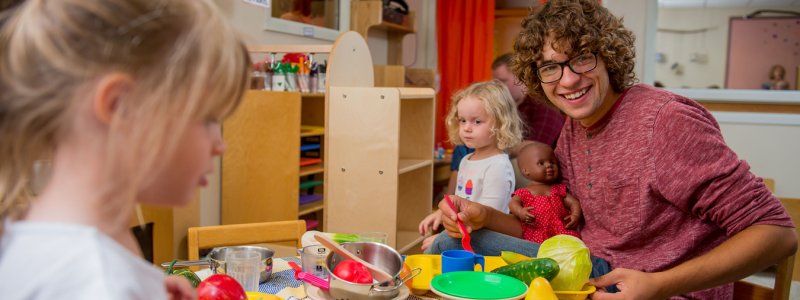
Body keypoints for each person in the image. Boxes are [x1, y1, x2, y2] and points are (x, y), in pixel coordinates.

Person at [433, 0, 797, 299]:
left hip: (660, 290)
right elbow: (551, 225)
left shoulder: (666, 120)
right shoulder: (573, 128)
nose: (569, 79)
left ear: (609, 56)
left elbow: (777, 233)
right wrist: (484, 216)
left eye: (583, 58)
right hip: (593, 273)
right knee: (450, 241)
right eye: (550, 67)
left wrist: (657, 285)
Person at [0, 0, 250, 299]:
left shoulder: (37, 234)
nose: (220, 145)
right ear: (121, 107)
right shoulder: (96, 282)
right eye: (208, 119)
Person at [418, 80, 523, 251]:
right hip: (466, 233)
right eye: (462, 120)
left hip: (484, 239)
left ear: (501, 123)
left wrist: (442, 238)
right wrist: (441, 213)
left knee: (434, 250)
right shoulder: (467, 160)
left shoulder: (498, 166)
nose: (467, 128)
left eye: (477, 122)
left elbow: (487, 219)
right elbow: (462, 200)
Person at [444, 54, 566, 195]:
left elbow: (535, 151)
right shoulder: (511, 107)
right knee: (465, 144)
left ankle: (454, 197)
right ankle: (454, 198)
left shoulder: (543, 107)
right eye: (495, 82)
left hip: (539, 169)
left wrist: (492, 143)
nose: (497, 87)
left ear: (521, 78)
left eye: (502, 81)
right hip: (510, 157)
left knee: (466, 146)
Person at [508, 142, 581, 243]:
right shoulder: (524, 192)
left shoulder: (558, 189)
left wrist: (575, 215)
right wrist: (520, 212)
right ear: (526, 171)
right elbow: (512, 203)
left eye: (552, 162)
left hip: (562, 231)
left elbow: (574, 203)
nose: (549, 166)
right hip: (537, 233)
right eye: (541, 163)